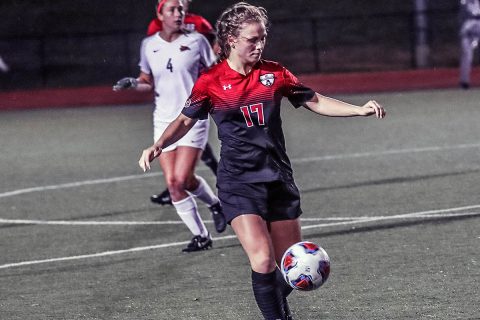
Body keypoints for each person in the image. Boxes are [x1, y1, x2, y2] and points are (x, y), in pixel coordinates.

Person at [138, 2, 385, 319]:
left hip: (278, 180)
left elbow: (314, 100)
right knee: (263, 260)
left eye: (262, 38)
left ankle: (280, 312)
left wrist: (358, 109)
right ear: (231, 39)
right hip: (239, 182)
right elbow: (185, 121)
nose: (259, 45)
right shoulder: (211, 81)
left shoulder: (275, 73)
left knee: (289, 268)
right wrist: (159, 145)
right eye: (252, 39)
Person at [114, 0, 227, 252]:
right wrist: (133, 82)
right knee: (176, 184)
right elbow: (147, 81)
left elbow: (214, 75)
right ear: (160, 14)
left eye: (181, 10)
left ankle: (214, 207)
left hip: (193, 117)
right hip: (163, 120)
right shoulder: (149, 45)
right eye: (172, 10)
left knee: (181, 178)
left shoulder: (197, 41)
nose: (178, 14)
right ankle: (202, 233)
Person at [146, 0, 220, 206]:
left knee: (184, 162)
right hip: (168, 104)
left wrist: (208, 59)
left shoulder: (198, 23)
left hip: (194, 98)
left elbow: (214, 39)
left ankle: (215, 182)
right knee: (178, 173)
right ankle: (179, 187)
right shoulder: (155, 31)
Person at [459, 0, 480, 89]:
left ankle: (464, 82)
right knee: (467, 57)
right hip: (467, 34)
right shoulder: (464, 3)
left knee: (467, 57)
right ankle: (464, 82)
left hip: (476, 32)